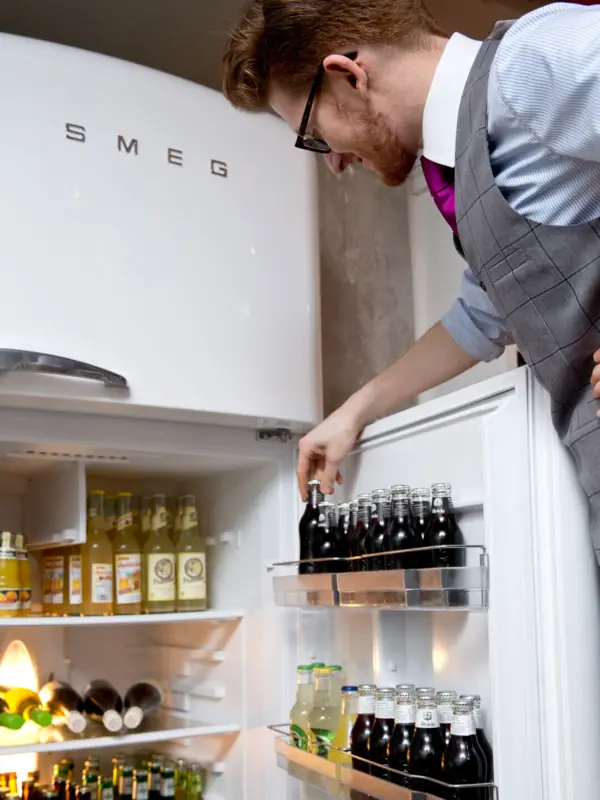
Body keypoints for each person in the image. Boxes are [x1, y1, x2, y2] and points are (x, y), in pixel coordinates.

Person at [223, 1, 600, 555]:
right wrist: (355, 411)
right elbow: (484, 315)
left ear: (348, 77)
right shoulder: (467, 159)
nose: (333, 163)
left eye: (314, 135)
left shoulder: (531, 60)